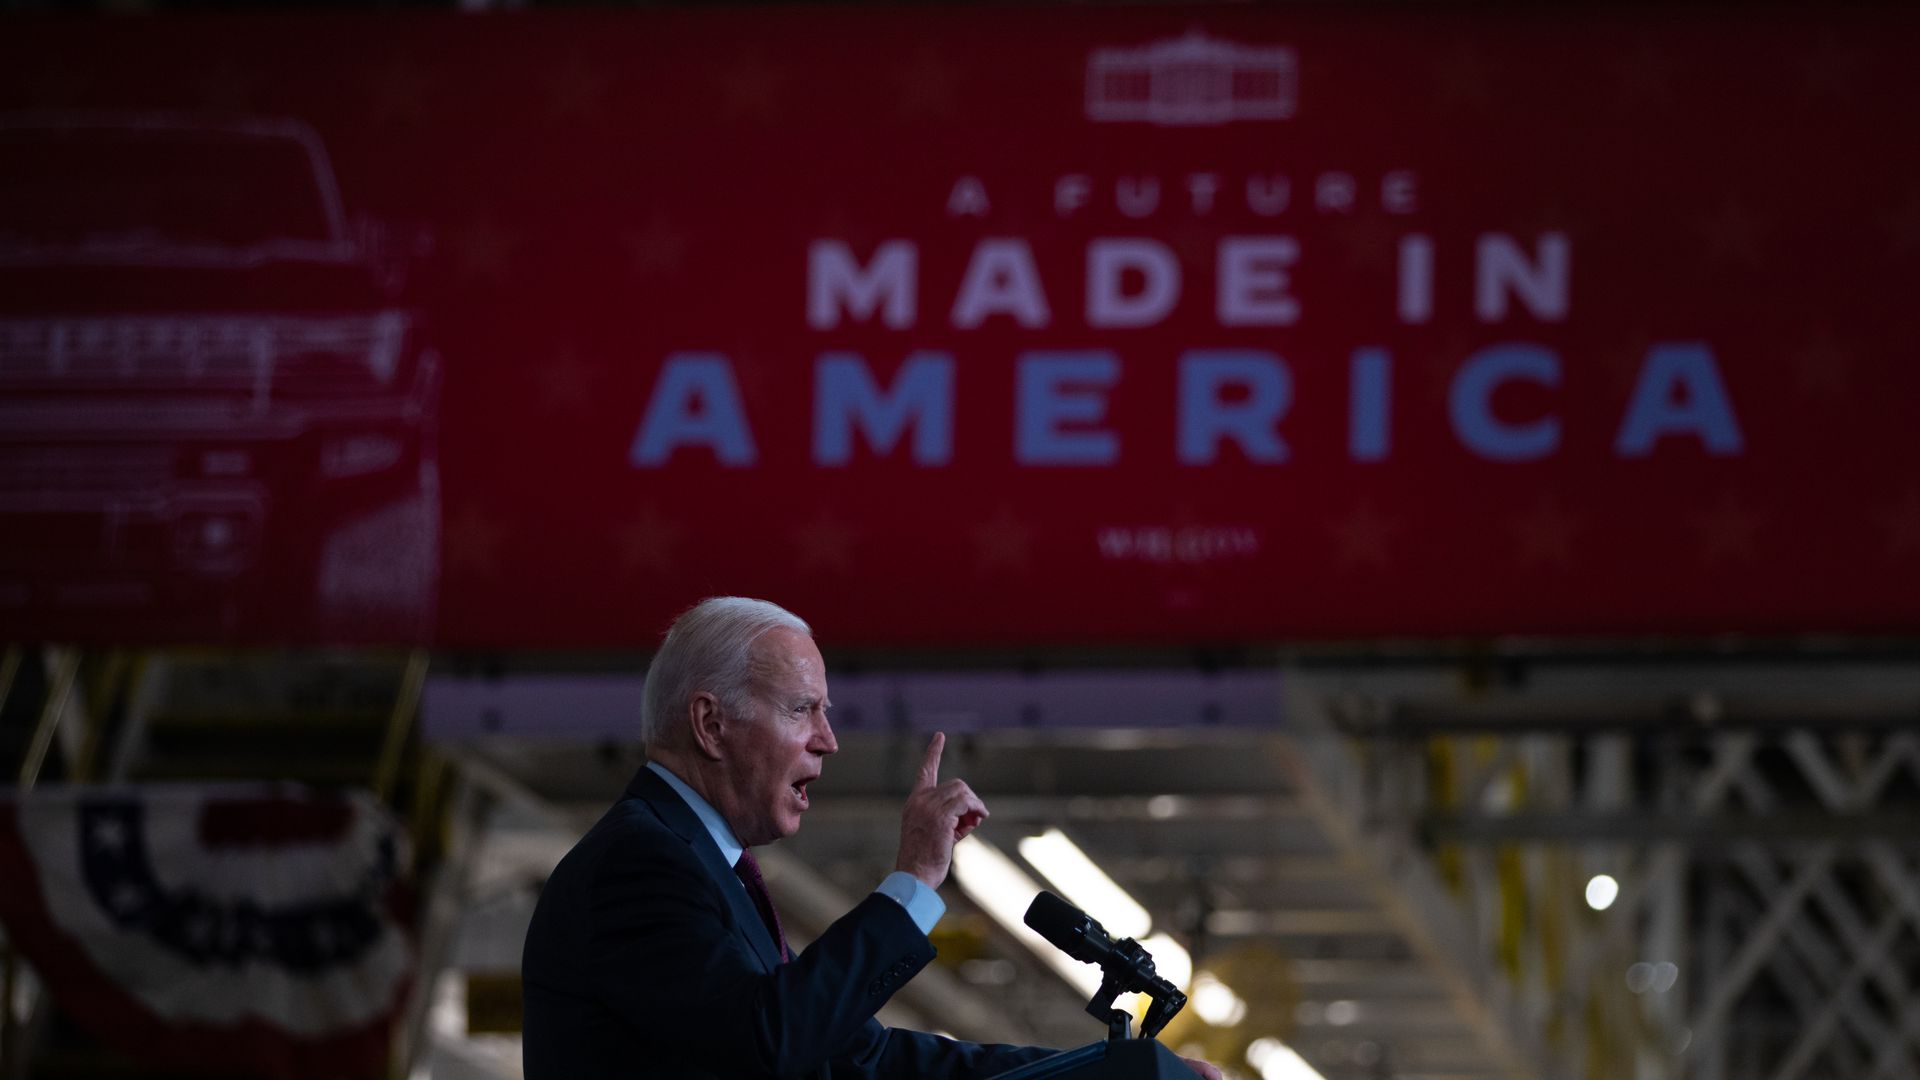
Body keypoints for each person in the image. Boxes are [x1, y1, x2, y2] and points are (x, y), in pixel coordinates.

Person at [522, 596, 1224, 1080]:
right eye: (803, 710)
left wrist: (1109, 1072)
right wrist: (913, 881)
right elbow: (773, 1040)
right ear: (711, 725)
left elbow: (866, 1061)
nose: (829, 741)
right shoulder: (641, 862)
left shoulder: (703, 867)